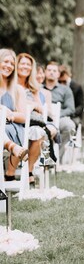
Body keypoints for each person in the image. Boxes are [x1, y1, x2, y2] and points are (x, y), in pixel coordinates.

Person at [17, 53, 58, 187]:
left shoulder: (33, 87)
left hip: (32, 122)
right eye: (22, 63)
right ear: (17, 65)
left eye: (28, 65)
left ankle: (29, 171)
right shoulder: (10, 84)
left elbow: (40, 108)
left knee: (38, 132)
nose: (25, 67)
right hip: (16, 121)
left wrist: (33, 105)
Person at [0, 48, 28, 181]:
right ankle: (13, 147)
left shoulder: (17, 89)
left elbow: (23, 117)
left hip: (11, 127)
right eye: (5, 62)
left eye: (12, 64)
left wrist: (10, 113)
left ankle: (12, 145)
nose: (9, 66)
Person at [44, 61, 75, 163]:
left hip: (60, 119)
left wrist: (56, 116)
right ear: (45, 72)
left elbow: (70, 108)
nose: (51, 72)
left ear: (58, 74)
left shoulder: (66, 90)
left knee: (69, 126)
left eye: (54, 71)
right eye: (49, 70)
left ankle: (57, 157)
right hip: (42, 119)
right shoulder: (38, 88)